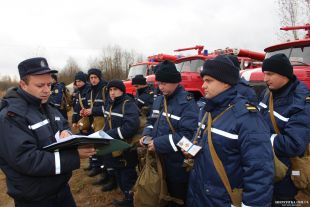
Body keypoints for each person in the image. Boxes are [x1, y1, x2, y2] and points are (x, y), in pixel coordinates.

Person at [0, 57, 96, 207]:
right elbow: (26, 160)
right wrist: (74, 155)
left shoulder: (47, 105)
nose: (46, 90)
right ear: (23, 85)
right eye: (40, 85)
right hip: (35, 199)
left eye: (49, 84)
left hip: (61, 190)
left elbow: (63, 125)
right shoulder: (10, 116)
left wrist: (67, 134)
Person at [187, 55, 274, 207]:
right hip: (200, 195)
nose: (203, 86)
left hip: (224, 200)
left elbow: (259, 170)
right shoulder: (206, 110)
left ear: (226, 82)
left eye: (209, 81)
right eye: (203, 81)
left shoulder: (246, 118)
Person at [140, 60, 199, 207]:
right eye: (159, 83)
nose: (160, 87)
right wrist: (146, 135)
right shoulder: (159, 99)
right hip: (159, 158)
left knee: (177, 197)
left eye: (164, 83)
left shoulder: (187, 103)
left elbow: (187, 136)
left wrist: (158, 144)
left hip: (177, 164)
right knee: (161, 192)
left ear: (175, 81)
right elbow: (151, 121)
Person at [258, 53, 310, 205]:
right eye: (264, 74)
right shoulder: (268, 93)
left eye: (270, 74)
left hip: (290, 176)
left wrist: (260, 137)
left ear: (284, 74)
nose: (265, 79)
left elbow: (293, 144)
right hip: (269, 168)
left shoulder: (302, 102)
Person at [103, 80, 140, 207]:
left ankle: (132, 200)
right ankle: (127, 195)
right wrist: (102, 134)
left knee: (127, 176)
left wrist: (110, 134)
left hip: (126, 149)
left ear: (122, 90)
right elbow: (107, 124)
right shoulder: (109, 104)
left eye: (115, 89)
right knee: (119, 173)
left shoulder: (128, 104)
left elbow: (131, 127)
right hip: (113, 147)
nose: (112, 93)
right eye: (110, 90)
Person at [82, 68, 108, 177]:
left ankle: (106, 172)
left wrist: (92, 110)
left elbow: (108, 108)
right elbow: (89, 106)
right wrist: (85, 111)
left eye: (95, 77)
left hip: (104, 124)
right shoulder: (90, 91)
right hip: (93, 123)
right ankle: (97, 166)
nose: (93, 80)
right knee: (95, 146)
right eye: (91, 78)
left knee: (104, 148)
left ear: (99, 78)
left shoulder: (105, 89)